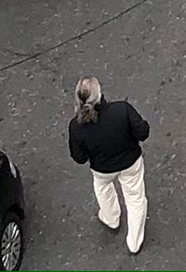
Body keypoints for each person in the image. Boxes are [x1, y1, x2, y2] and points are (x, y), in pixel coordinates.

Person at [69, 77, 149, 254]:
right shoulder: (122, 110)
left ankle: (111, 218)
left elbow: (79, 157)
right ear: (99, 94)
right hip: (130, 163)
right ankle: (134, 241)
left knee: (103, 190)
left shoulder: (76, 126)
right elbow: (143, 132)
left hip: (102, 169)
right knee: (135, 198)